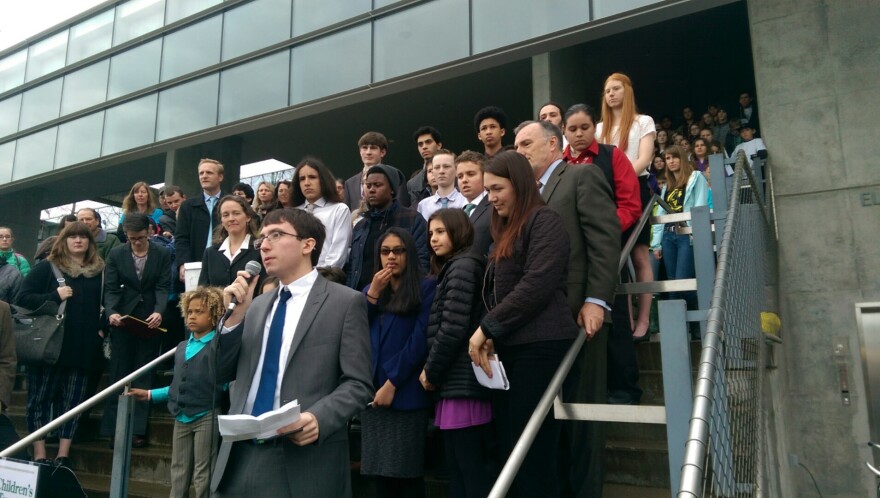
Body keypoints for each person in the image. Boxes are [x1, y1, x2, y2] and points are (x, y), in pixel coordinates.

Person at [211, 208, 373, 497]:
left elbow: (358, 384)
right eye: (262, 239)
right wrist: (234, 319)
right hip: (238, 457)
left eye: (276, 235)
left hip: (301, 461)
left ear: (308, 245)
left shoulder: (344, 302)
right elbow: (219, 372)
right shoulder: (257, 305)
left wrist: (319, 418)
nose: (265, 246)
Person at [515, 119, 622, 497]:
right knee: (550, 423)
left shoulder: (581, 177)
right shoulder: (525, 196)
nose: (520, 150)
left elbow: (605, 241)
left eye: (527, 143)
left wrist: (597, 300)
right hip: (541, 325)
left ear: (553, 145)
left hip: (581, 316)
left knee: (583, 422)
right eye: (517, 145)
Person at [468, 151, 578, 497]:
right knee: (514, 442)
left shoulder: (544, 220)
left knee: (533, 445)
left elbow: (536, 285)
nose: (492, 198)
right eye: (488, 191)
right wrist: (493, 332)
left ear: (520, 185)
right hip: (513, 348)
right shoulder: (506, 229)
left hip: (541, 345)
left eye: (498, 188)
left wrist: (487, 328)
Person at [16, 222, 105, 467]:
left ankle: (63, 454)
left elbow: (109, 303)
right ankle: (40, 453)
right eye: (72, 236)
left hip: (84, 347)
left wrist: (102, 329)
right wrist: (55, 296)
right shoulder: (47, 267)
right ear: (63, 240)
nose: (78, 240)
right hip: (50, 346)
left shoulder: (100, 271)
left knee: (74, 401)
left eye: (83, 236)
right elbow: (22, 298)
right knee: (40, 399)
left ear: (90, 241)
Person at [420, 209, 493, 498]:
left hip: (462, 384)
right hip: (457, 383)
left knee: (468, 471)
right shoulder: (458, 265)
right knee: (461, 471)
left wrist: (431, 371)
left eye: (440, 232)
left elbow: (452, 328)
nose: (433, 239)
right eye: (430, 234)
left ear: (458, 231)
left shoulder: (463, 266)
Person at [128, 286, 226, 498]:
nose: (192, 316)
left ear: (214, 315)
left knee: (203, 472)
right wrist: (149, 394)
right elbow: (176, 385)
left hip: (206, 414)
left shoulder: (218, 346)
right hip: (180, 415)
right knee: (178, 469)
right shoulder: (182, 346)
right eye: (189, 311)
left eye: (200, 311)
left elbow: (226, 381)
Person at [360, 228, 435, 497]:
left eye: (398, 250)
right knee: (378, 477)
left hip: (405, 393)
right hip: (372, 394)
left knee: (405, 474)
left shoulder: (426, 286)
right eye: (385, 251)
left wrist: (392, 382)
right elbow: (356, 330)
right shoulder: (371, 290)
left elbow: (419, 341)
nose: (391, 256)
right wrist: (373, 294)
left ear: (409, 254)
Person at [596, 73, 656, 402]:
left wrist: (618, 175)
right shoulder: (599, 129)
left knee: (639, 257)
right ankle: (628, 318)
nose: (611, 94)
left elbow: (644, 159)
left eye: (616, 88)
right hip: (608, 194)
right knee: (615, 261)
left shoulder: (642, 121)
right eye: (606, 91)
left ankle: (644, 319)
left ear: (627, 90)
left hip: (636, 188)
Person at [101, 213, 172, 448]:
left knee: (145, 374)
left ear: (150, 232)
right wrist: (110, 311)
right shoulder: (116, 253)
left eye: (141, 237)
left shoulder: (161, 253)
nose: (137, 242)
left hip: (150, 318)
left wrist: (160, 310)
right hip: (123, 318)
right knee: (118, 373)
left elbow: (163, 286)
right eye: (132, 239)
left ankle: (137, 429)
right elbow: (110, 288)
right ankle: (113, 428)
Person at [345, 164, 430, 291]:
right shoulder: (360, 225)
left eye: (377, 185)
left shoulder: (413, 219)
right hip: (362, 298)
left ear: (392, 189)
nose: (371, 190)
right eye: (368, 186)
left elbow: (421, 261)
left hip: (398, 296)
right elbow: (352, 267)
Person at [651, 145, 709, 322]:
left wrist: (694, 233)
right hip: (668, 235)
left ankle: (685, 322)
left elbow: (699, 205)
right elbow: (661, 214)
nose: (671, 161)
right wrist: (656, 243)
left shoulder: (695, 177)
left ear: (682, 158)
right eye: (668, 158)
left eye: (674, 157)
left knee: (682, 281)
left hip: (686, 233)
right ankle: (690, 327)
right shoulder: (667, 185)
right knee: (673, 280)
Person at [292, 157, 352, 268]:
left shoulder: (339, 210)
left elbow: (338, 254)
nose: (307, 183)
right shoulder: (291, 213)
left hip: (326, 278)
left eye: (312, 177)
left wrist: (318, 278)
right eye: (302, 179)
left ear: (323, 180)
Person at [175, 158, 225, 283]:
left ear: (220, 177)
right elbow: (181, 238)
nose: (204, 176)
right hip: (195, 266)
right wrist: (183, 264)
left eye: (209, 173)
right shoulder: (188, 206)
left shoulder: (231, 203)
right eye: (201, 173)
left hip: (225, 264)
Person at [199, 195, 263, 288]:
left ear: (248, 217)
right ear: (221, 220)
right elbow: (202, 290)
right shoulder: (210, 253)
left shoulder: (260, 249)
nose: (231, 218)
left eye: (236, 213)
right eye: (225, 215)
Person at [343, 132, 411, 211]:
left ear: (383, 152)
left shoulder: (395, 176)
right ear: (360, 152)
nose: (368, 152)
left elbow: (402, 207)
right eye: (364, 148)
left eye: (373, 148)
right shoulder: (350, 183)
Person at [455, 150, 493, 258]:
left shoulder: (495, 207)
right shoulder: (456, 211)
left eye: (470, 174)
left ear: (484, 175)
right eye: (460, 176)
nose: (464, 180)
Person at [417, 149, 467, 220]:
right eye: (437, 167)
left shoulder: (466, 202)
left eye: (446, 166)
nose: (441, 171)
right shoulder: (423, 206)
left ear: (456, 170)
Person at [407, 126, 443, 205]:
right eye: (420, 144)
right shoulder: (412, 183)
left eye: (428, 142)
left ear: (439, 145)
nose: (424, 147)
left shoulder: (455, 174)